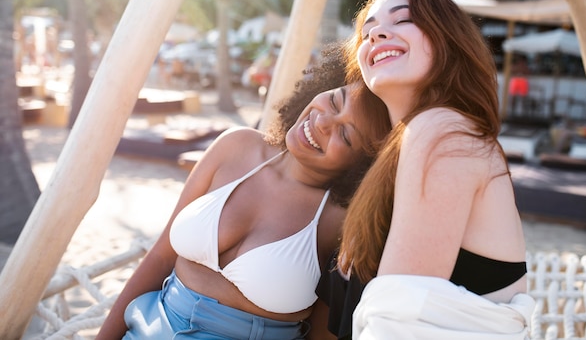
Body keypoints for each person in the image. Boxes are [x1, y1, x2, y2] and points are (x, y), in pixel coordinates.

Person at [96, 49, 391, 340]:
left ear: (360, 165)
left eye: (345, 134)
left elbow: (322, 329)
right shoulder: (235, 146)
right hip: (150, 327)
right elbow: (160, 257)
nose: (324, 122)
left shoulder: (338, 222)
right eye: (334, 100)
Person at [317, 0, 534, 339]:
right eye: (368, 29)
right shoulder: (398, 149)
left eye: (403, 20)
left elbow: (398, 323)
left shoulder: (444, 131)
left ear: (448, 42)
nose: (376, 34)